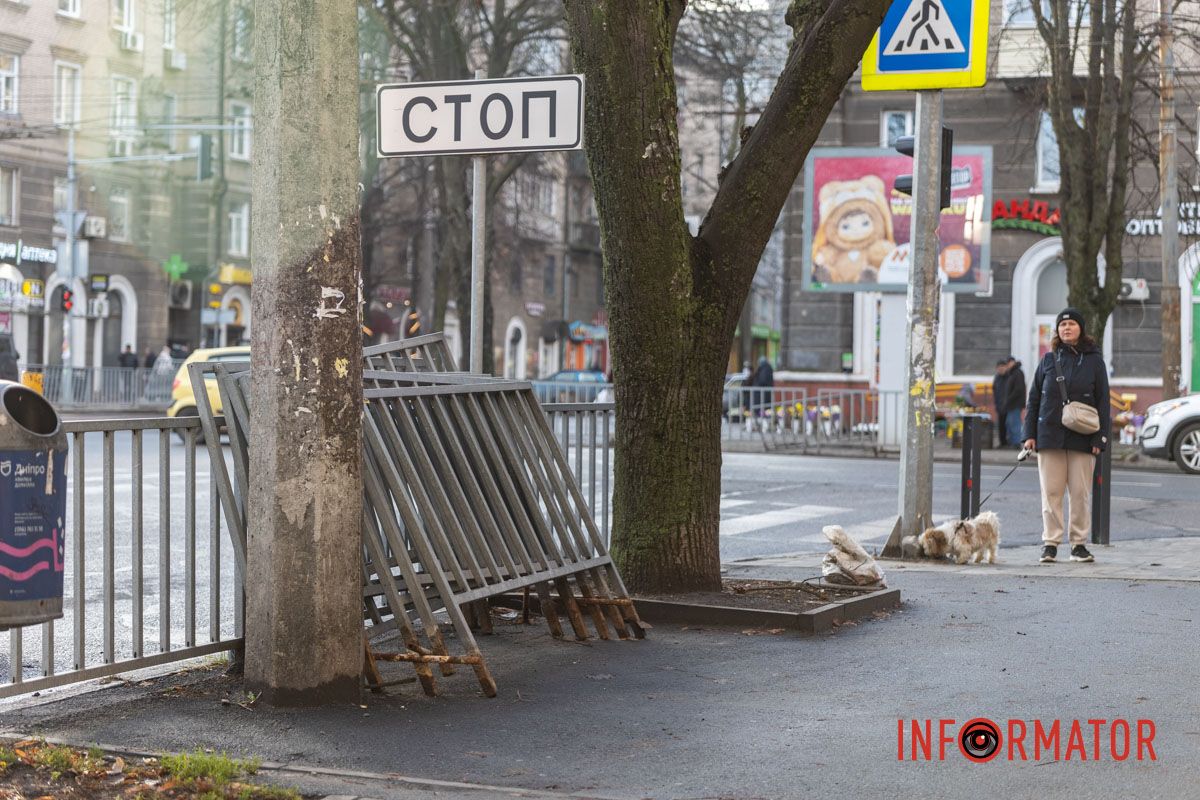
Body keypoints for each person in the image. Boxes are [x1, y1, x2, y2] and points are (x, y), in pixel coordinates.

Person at [1023, 308, 1109, 564]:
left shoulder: (1094, 361)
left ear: (1081, 329)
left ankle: (1079, 544)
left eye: (1071, 324)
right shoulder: (1048, 360)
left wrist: (1100, 438)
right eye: (1062, 325)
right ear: (1058, 331)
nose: (1067, 328)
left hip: (1083, 436)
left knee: (1080, 493)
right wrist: (1029, 435)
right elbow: (1034, 398)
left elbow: (1103, 402)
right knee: (1051, 492)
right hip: (1049, 435)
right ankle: (1050, 543)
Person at [1003, 355, 1026, 449]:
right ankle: (1013, 442)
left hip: (1015, 403)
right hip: (1012, 404)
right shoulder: (1013, 373)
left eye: (1008, 363)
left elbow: (1018, 389)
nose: (1007, 366)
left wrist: (1009, 399)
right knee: (1010, 423)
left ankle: (1016, 443)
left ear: (1012, 362)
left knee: (1015, 423)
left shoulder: (1017, 373)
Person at [992, 359, 1009, 447]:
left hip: (1008, 405)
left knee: (1009, 424)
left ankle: (1009, 442)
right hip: (999, 405)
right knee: (1001, 425)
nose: (1001, 369)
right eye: (999, 368)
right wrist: (996, 403)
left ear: (1006, 367)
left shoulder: (1009, 377)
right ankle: (1002, 442)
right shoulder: (997, 378)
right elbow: (994, 390)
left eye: (1002, 367)